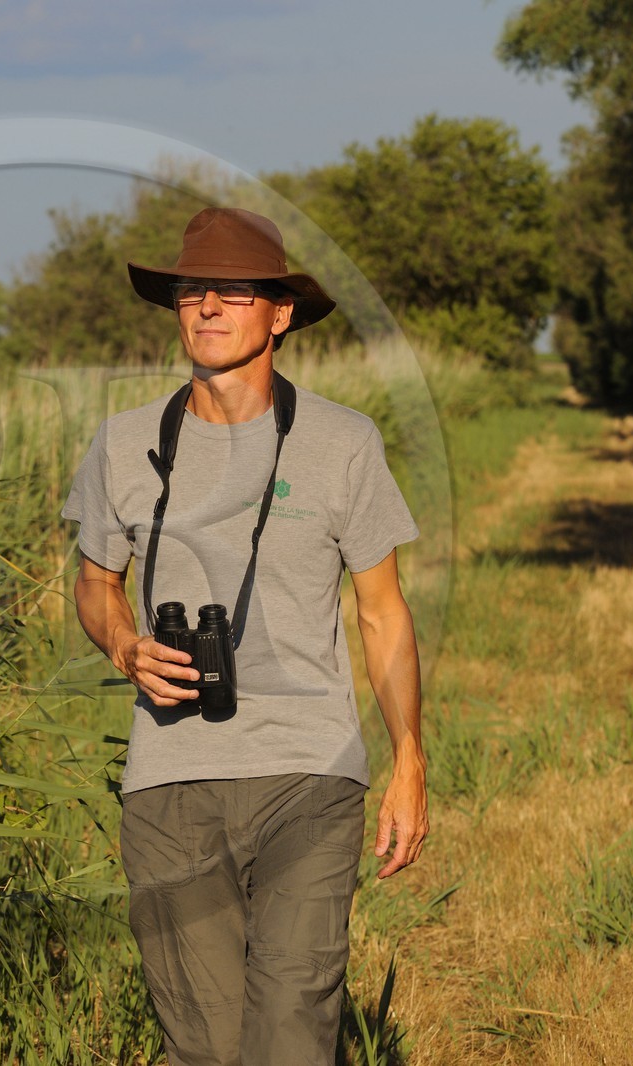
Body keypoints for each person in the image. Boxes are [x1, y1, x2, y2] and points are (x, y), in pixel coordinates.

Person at [62, 207, 428, 1065]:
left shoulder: (342, 442)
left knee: (294, 1023)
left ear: (281, 313)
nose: (208, 307)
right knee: (207, 1043)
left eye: (233, 291)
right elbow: (94, 586)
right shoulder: (123, 444)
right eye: (193, 292)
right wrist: (124, 646)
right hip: (169, 783)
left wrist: (409, 757)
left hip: (308, 771)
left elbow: (383, 612)